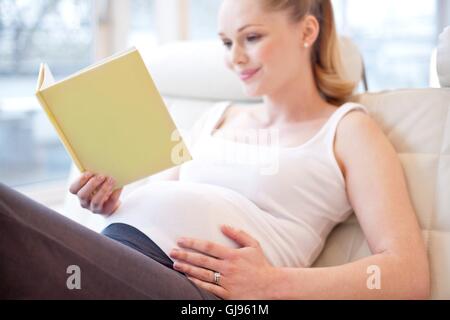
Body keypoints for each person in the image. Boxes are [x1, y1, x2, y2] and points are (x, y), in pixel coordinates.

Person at [0, 0, 430, 299]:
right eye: (226, 43)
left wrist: (273, 284)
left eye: (252, 37)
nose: (235, 58)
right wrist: (110, 201)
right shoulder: (216, 117)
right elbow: (152, 203)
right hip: (117, 256)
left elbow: (407, 274)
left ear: (308, 30)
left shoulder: (347, 131)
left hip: (188, 291)